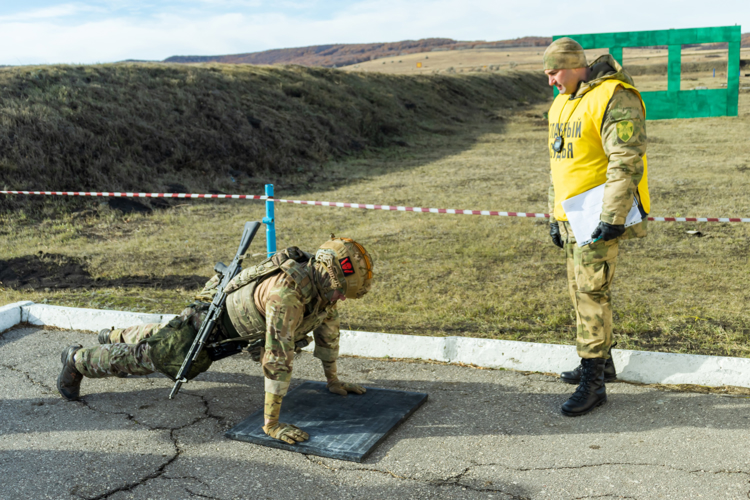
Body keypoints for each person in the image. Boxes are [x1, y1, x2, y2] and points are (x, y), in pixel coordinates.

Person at [57, 235, 374, 444]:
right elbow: (277, 360)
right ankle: (78, 361)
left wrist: (333, 380)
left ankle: (112, 335)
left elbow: (327, 331)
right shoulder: (287, 296)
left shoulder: (321, 289)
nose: (340, 299)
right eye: (339, 292)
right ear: (326, 272)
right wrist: (272, 424)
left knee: (166, 333)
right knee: (151, 357)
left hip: (229, 319)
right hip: (209, 322)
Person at [543, 38, 650, 417]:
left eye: (553, 72)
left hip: (598, 217)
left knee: (591, 293)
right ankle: (600, 363)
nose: (551, 81)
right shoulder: (562, 101)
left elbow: (625, 160)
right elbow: (559, 165)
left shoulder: (615, 97)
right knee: (580, 292)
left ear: (573, 65)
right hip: (571, 217)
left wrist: (613, 217)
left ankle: (595, 385)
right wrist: (554, 216)